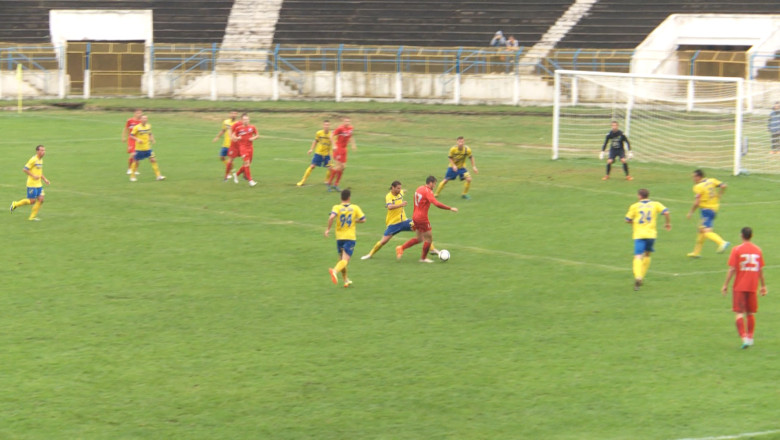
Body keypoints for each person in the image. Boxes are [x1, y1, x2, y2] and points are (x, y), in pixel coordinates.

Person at [361, 180, 438, 260]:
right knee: (383, 241)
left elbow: (402, 191)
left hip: (404, 221)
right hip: (393, 224)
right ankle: (370, 254)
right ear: (393, 188)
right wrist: (401, 204)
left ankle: (432, 249)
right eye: (398, 188)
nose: (399, 190)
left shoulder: (400, 192)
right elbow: (389, 207)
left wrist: (404, 190)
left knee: (423, 230)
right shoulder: (389, 196)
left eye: (400, 188)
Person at [721, 227, 767, 349]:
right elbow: (760, 270)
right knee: (750, 313)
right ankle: (750, 338)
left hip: (739, 286)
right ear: (751, 236)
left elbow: (732, 269)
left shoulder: (736, 250)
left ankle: (744, 337)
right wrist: (763, 286)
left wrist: (725, 284)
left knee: (739, 313)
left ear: (741, 235)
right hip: (752, 286)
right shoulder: (758, 250)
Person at [396, 176, 458, 263]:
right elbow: (436, 203)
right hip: (422, 218)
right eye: (434, 184)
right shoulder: (428, 192)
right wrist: (450, 208)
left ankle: (401, 248)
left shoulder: (419, 188)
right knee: (429, 239)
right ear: (431, 183)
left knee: (419, 238)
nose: (434, 186)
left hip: (415, 216)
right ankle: (423, 258)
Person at [625, 188, 671, 291]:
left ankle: (638, 276)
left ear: (639, 196)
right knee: (647, 255)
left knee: (638, 256)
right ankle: (642, 276)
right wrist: (667, 223)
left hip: (639, 235)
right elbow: (666, 212)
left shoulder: (635, 206)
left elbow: (627, 219)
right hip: (651, 235)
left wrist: (634, 224)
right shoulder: (655, 204)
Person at [325, 188, 366, 287]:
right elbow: (363, 219)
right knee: (345, 260)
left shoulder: (337, 207)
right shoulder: (355, 208)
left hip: (339, 237)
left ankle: (345, 280)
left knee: (341, 260)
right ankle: (334, 271)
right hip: (350, 237)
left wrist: (328, 229)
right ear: (349, 197)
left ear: (341, 197)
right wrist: (354, 221)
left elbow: (331, 217)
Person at [686, 169, 729, 257]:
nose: (693, 179)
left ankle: (722, 242)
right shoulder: (711, 180)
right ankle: (696, 252)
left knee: (706, 231)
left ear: (698, 177)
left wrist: (690, 212)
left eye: (694, 177)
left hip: (706, 211)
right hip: (713, 209)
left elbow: (696, 203)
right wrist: (720, 195)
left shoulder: (698, 187)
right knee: (701, 231)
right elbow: (724, 186)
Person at [10, 145, 50, 221]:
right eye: (42, 150)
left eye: (44, 150)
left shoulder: (40, 160)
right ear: (37, 151)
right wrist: (33, 176)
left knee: (41, 199)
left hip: (39, 184)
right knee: (32, 201)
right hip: (32, 184)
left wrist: (45, 179)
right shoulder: (33, 160)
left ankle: (32, 217)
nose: (43, 152)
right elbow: (25, 169)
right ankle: (15, 204)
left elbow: (40, 172)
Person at [129, 114, 165, 181]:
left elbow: (150, 133)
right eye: (143, 118)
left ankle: (158, 176)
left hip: (148, 148)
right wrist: (137, 139)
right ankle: (132, 176)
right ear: (140, 119)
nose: (145, 119)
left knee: (153, 160)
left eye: (146, 118)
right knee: (136, 161)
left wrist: (152, 139)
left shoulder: (148, 126)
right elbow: (131, 135)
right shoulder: (137, 127)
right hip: (139, 149)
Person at [297, 120, 332, 186]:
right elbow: (315, 141)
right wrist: (311, 149)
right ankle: (302, 181)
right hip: (318, 153)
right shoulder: (319, 133)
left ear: (330, 126)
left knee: (330, 168)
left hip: (327, 154)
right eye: (325, 125)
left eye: (328, 125)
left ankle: (327, 180)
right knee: (312, 166)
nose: (326, 126)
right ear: (323, 125)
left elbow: (333, 143)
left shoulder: (331, 135)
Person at [327, 117, 357, 191]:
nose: (347, 122)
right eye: (346, 121)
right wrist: (334, 145)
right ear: (343, 122)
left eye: (348, 121)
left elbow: (351, 136)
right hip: (338, 148)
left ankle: (335, 184)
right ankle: (330, 183)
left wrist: (353, 145)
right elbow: (331, 136)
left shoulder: (350, 128)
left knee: (343, 167)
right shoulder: (340, 128)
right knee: (338, 166)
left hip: (344, 149)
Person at [230, 113, 259, 187]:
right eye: (244, 119)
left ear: (249, 120)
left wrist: (253, 138)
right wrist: (237, 138)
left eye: (247, 119)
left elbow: (257, 135)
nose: (246, 121)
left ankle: (236, 175)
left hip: (250, 148)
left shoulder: (252, 127)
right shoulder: (238, 128)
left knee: (247, 164)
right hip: (243, 148)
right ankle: (250, 181)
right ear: (242, 120)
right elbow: (233, 136)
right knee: (247, 163)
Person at [212, 110, 238, 178]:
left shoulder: (238, 123)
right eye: (232, 113)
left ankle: (229, 173)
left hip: (232, 145)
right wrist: (217, 137)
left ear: (237, 115)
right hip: (225, 144)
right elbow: (223, 130)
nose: (233, 115)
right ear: (229, 114)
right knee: (221, 157)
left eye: (235, 113)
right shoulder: (226, 122)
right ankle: (231, 169)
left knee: (230, 160)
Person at [121, 109, 143, 175]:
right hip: (131, 139)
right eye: (138, 113)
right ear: (135, 113)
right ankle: (129, 169)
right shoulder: (130, 121)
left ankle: (135, 170)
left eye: (141, 113)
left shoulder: (141, 122)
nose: (140, 114)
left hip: (138, 140)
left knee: (138, 156)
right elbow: (125, 129)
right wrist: (123, 137)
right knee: (133, 154)